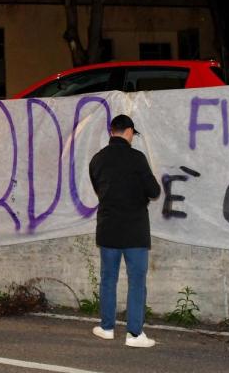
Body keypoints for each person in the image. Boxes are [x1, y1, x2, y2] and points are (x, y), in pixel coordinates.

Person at [88, 114, 161, 348]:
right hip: (135, 230)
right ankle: (135, 334)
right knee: (136, 281)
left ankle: (107, 328)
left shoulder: (97, 159)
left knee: (108, 279)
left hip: (108, 228)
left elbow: (100, 188)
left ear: (112, 132)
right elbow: (154, 190)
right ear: (129, 132)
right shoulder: (137, 158)